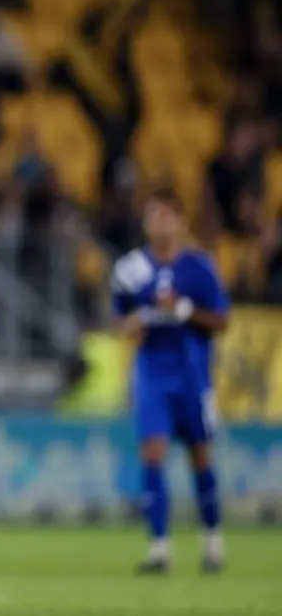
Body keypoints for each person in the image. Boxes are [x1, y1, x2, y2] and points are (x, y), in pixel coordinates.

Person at [111, 186, 230, 574]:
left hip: (193, 376)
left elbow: (222, 322)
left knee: (201, 457)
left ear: (180, 221)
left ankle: (212, 542)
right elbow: (119, 318)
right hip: (152, 376)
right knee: (153, 455)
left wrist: (183, 309)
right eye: (152, 215)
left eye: (165, 215)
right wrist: (129, 326)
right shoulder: (131, 269)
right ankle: (160, 549)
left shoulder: (199, 267)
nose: (158, 222)